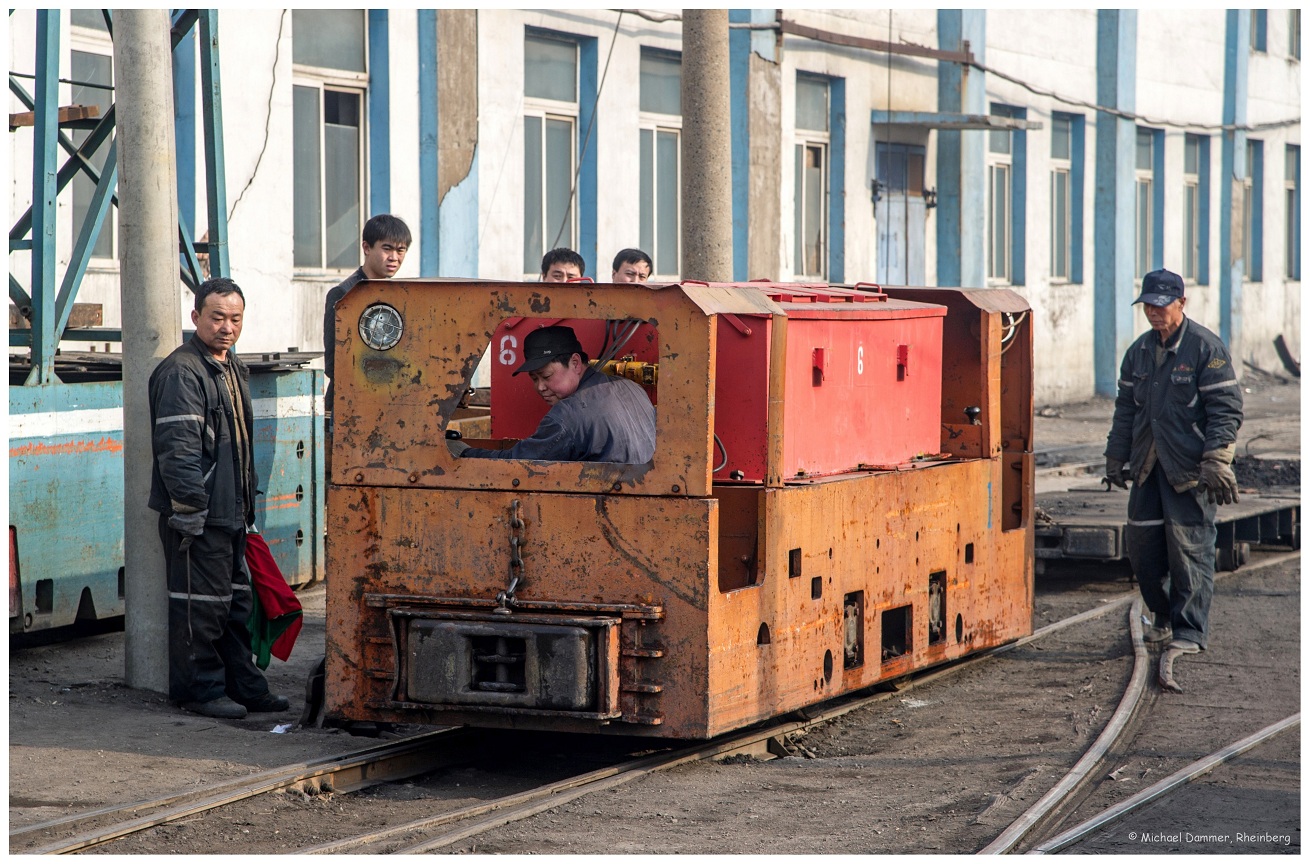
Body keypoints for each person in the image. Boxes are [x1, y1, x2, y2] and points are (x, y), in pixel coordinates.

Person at [149, 278, 289, 719]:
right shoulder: (183, 371)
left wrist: (244, 511)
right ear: (196, 318)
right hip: (200, 516)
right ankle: (200, 692)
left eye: (235, 318)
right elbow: (179, 449)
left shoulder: (230, 367)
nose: (227, 327)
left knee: (235, 606)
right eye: (217, 317)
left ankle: (243, 685)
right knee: (201, 608)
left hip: (230, 513)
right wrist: (190, 510)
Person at [1104, 269, 1243, 691]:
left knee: (1189, 549)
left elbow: (1226, 409)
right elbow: (1126, 409)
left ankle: (1189, 631)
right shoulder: (1139, 353)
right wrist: (1115, 454)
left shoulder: (1206, 350)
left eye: (1160, 305)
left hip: (1189, 469)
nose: (1153, 312)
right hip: (1147, 465)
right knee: (1144, 548)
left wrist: (1217, 458)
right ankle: (1162, 616)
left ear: (1181, 303)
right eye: (1147, 305)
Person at [453, 325, 656, 463]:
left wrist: (461, 452)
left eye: (546, 376)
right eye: (534, 379)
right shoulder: (632, 389)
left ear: (575, 363)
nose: (540, 387)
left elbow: (515, 466)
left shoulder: (568, 416)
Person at [323, 214, 411, 421]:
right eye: (387, 248)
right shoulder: (343, 295)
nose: (394, 258)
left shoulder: (401, 297)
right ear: (366, 247)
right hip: (349, 407)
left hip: (389, 404)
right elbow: (333, 364)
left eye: (401, 250)